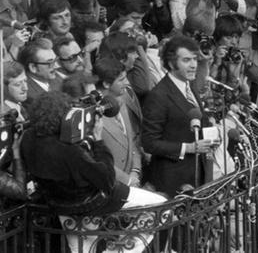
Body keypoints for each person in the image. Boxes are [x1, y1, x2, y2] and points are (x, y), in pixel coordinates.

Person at [20, 91, 165, 252]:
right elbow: (107, 180)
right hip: (92, 201)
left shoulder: (28, 138)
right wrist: (98, 141)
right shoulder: (68, 149)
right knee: (161, 206)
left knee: (82, 249)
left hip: (60, 203)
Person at [142, 35, 216, 197]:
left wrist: (211, 135)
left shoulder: (190, 86)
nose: (193, 65)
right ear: (171, 63)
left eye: (195, 59)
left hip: (198, 175)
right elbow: (149, 142)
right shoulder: (158, 95)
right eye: (186, 60)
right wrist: (187, 148)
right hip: (171, 181)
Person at [94, 57, 144, 187]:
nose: (127, 82)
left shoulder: (121, 102)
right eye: (121, 79)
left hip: (132, 182)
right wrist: (127, 180)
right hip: (111, 187)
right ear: (106, 84)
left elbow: (132, 142)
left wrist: (135, 171)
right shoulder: (93, 114)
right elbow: (97, 159)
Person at [17, 38, 60, 107]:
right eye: (50, 63)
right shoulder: (28, 95)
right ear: (33, 67)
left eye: (56, 60)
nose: (56, 66)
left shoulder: (58, 79)